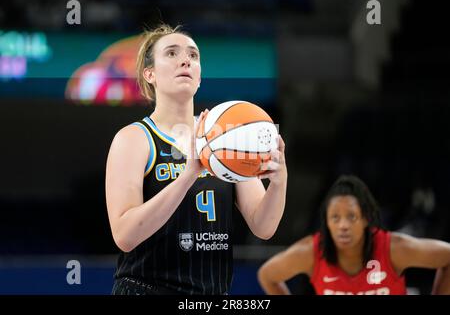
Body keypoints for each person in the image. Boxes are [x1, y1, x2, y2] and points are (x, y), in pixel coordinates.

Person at [105, 24, 288, 295]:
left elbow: (264, 226)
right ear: (150, 73)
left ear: (199, 77)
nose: (185, 60)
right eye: (171, 53)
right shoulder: (133, 139)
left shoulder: (226, 137)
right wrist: (188, 174)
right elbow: (125, 236)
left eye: (193, 55)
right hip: (146, 288)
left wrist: (279, 182)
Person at [258, 175, 450, 295]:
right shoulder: (311, 252)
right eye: (335, 218)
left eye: (351, 217)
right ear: (326, 222)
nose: (343, 226)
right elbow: (267, 275)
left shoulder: (393, 249)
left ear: (366, 219)